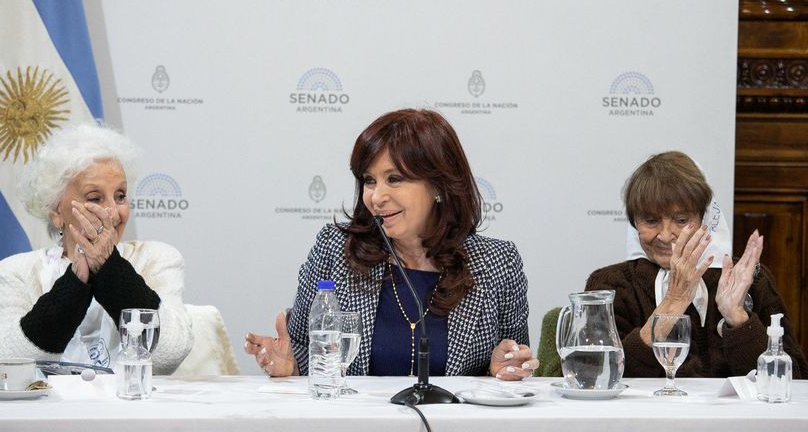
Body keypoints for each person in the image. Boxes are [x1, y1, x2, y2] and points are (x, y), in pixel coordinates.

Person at [246, 109, 536, 380]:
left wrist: (502, 371)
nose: (376, 197)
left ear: (439, 185)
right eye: (369, 181)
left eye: (394, 179)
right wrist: (292, 364)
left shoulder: (497, 263)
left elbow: (511, 367)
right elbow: (303, 349)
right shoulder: (335, 249)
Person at [0, 124, 193, 374]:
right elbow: (3, 363)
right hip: (47, 410)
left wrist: (110, 269)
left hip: (130, 407)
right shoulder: (15, 271)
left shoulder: (157, 259)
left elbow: (168, 355)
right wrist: (73, 286)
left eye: (120, 196)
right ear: (56, 211)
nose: (113, 212)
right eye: (95, 198)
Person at [585, 151, 807, 377]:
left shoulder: (749, 279)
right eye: (651, 220)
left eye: (681, 220)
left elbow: (794, 380)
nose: (665, 235)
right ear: (634, 224)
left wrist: (738, 319)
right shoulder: (608, 285)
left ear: (705, 220)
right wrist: (672, 304)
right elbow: (596, 376)